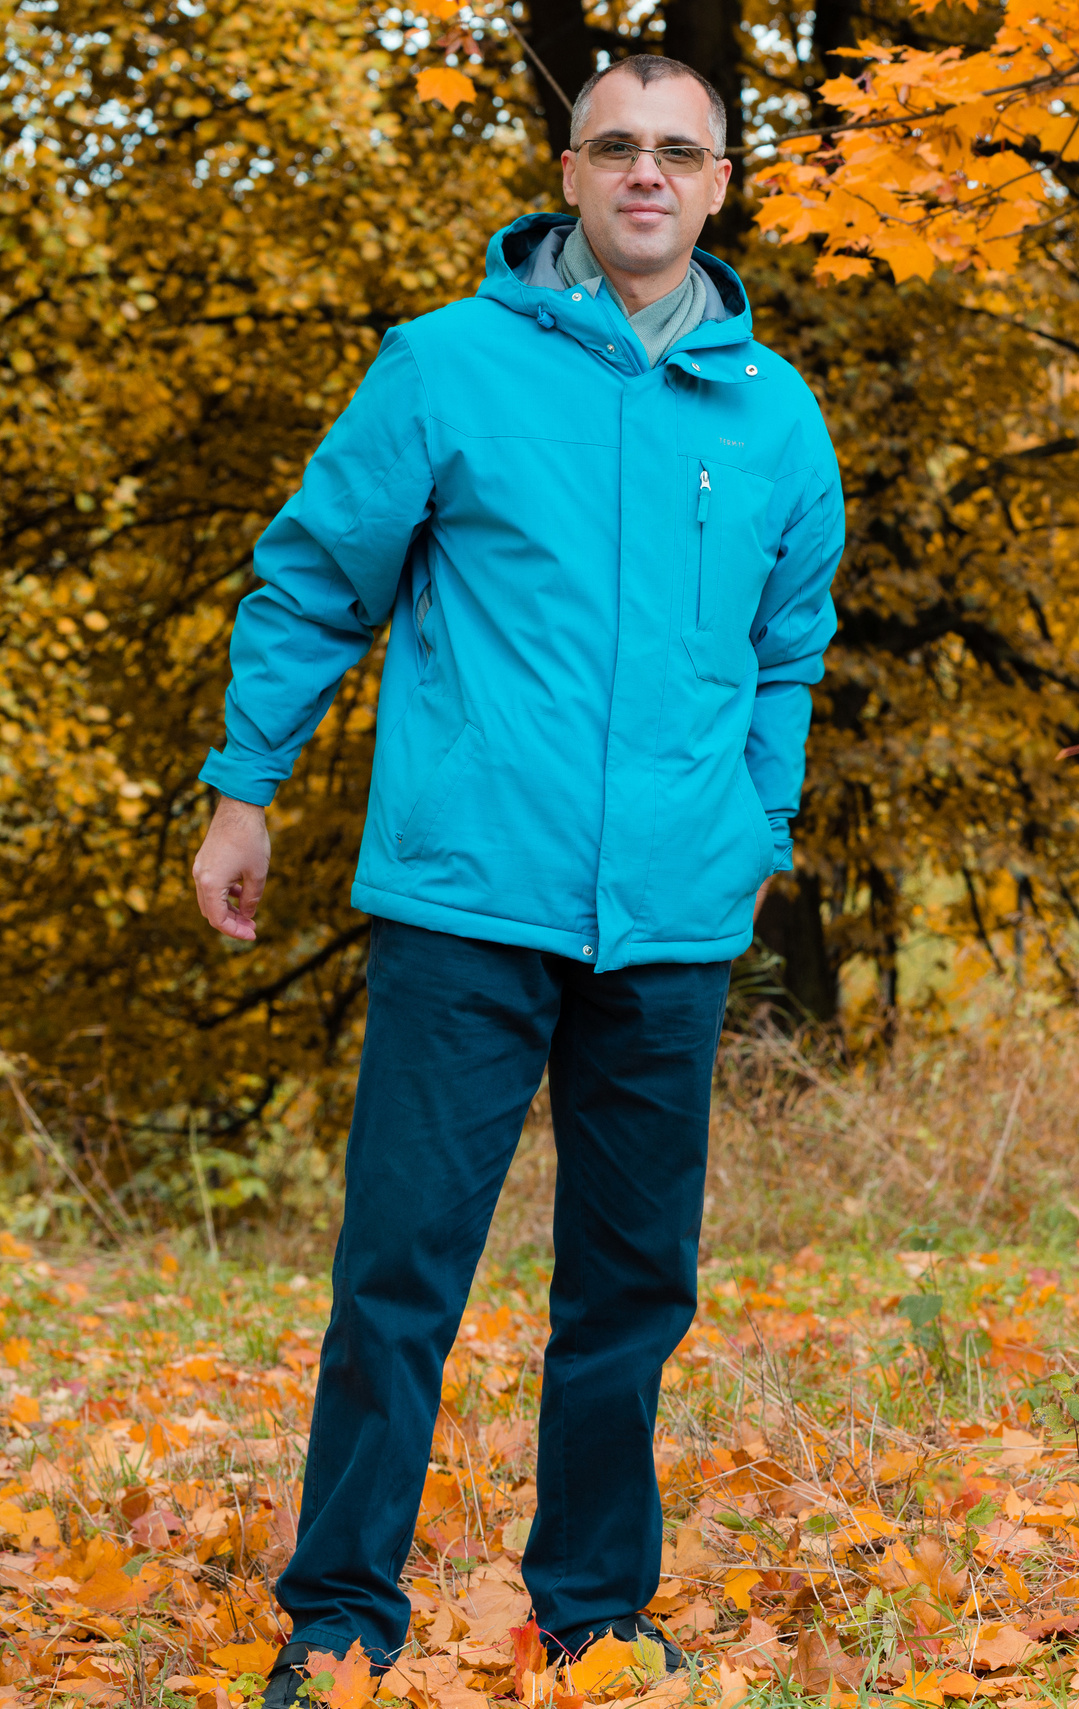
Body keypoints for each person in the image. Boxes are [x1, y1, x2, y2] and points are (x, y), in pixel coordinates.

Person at [185, 54, 844, 1700]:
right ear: (569, 171)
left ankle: (597, 1611)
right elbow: (313, 583)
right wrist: (244, 790)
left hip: (672, 921)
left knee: (633, 1286)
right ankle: (338, 1616)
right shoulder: (445, 366)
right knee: (401, 1272)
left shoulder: (777, 414)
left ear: (720, 185)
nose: (645, 173)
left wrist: (757, 822)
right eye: (616, 146)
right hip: (466, 903)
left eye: (677, 151)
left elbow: (789, 646)